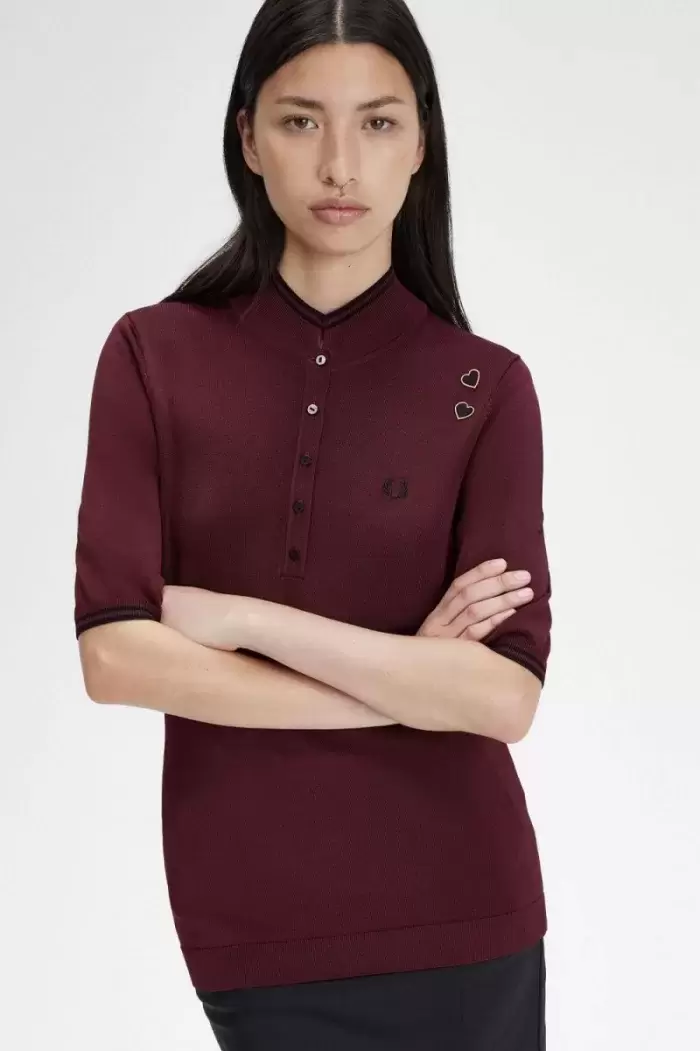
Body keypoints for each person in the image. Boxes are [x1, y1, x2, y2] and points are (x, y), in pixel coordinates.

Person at [73, 0, 552, 1047]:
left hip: (466, 916)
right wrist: (406, 685)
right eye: (301, 121)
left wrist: (246, 620)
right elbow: (116, 657)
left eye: (378, 122)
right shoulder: (153, 358)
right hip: (253, 923)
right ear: (248, 137)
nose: (340, 164)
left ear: (420, 142)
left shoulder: (485, 388)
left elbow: (502, 697)